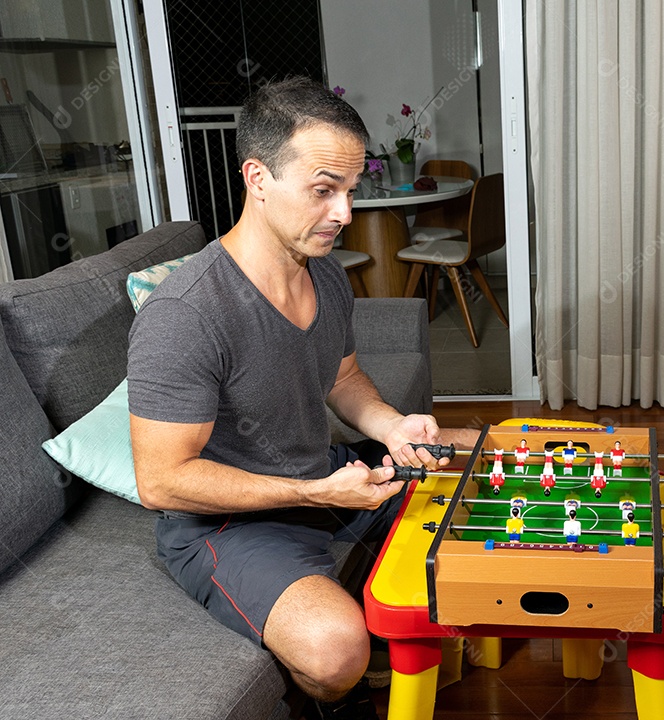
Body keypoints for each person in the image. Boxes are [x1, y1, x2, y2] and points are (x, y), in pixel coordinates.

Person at [128, 77, 471, 719]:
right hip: (226, 523)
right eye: (323, 191)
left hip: (323, 479)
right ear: (257, 178)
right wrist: (314, 493)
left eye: (349, 190)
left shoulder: (328, 276)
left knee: (476, 455)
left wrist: (393, 427)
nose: (344, 213)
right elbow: (162, 481)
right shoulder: (184, 313)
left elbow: (342, 381)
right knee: (337, 651)